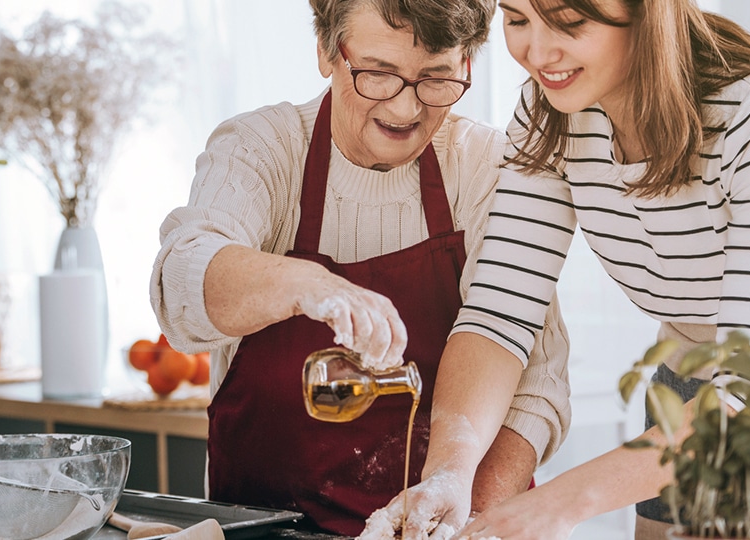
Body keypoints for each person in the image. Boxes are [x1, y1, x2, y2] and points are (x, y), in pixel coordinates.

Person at [362, 0, 750, 538]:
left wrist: (553, 505)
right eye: (517, 21)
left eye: (567, 21)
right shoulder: (548, 112)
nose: (537, 53)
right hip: (689, 368)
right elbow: (499, 314)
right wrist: (450, 471)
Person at [149, 0, 572, 536]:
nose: (405, 109)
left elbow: (536, 383)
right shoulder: (263, 148)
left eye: (436, 79)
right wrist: (306, 284)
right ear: (326, 49)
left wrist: (466, 519)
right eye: (378, 74)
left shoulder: (487, 166)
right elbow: (180, 286)